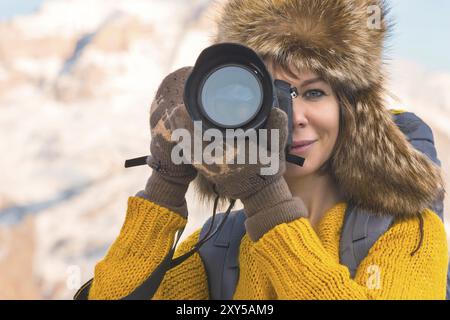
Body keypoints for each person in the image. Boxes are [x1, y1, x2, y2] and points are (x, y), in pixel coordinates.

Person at [81, 0, 448, 299]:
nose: (296, 116)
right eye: (272, 96)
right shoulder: (220, 245)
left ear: (350, 109)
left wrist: (265, 198)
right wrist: (167, 180)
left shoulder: (408, 231)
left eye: (314, 93)